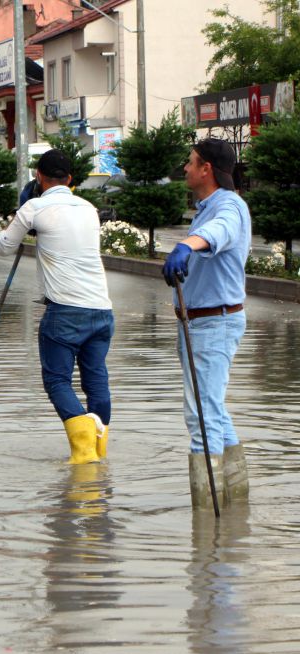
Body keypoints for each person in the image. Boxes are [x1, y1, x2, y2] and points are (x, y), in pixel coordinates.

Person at [0, 149, 114, 465]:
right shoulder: (89, 209)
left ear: (38, 177)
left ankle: (83, 445)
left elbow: (4, 247)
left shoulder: (34, 207)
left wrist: (23, 212)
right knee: (96, 379)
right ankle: (99, 452)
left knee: (57, 381)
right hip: (102, 311)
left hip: (64, 313)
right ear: (71, 179)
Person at [162, 138, 250, 508]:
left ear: (206, 169)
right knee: (213, 410)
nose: (185, 168)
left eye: (190, 161)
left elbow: (220, 232)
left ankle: (207, 514)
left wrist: (187, 245)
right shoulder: (206, 208)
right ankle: (234, 507)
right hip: (201, 323)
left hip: (215, 323)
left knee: (200, 415)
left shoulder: (228, 206)